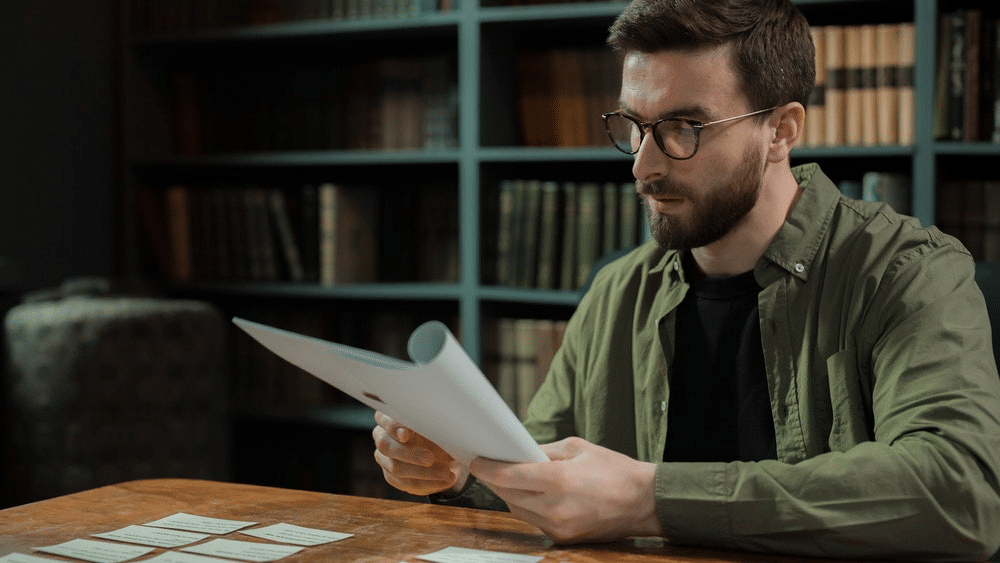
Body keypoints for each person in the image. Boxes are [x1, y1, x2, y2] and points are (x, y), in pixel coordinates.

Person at [372, 0, 1000, 559]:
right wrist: (457, 471)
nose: (644, 166)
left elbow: (958, 491)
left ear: (781, 130)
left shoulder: (907, 272)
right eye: (634, 127)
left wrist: (652, 498)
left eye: (683, 129)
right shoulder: (619, 289)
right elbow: (540, 465)